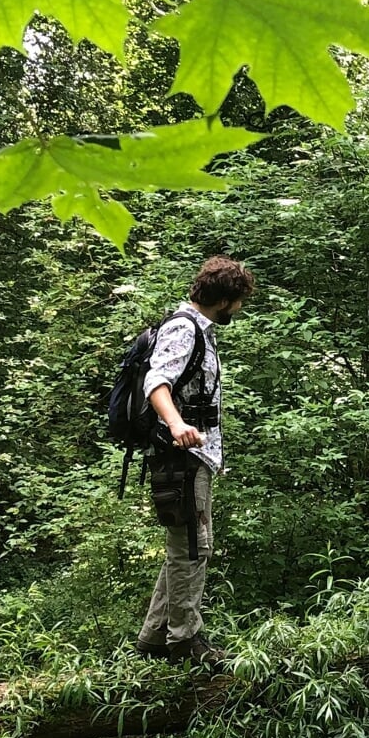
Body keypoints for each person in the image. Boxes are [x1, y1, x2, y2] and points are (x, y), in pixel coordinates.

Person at [135, 255, 255, 664]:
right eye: (238, 301)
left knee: (186, 544)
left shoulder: (197, 330)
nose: (238, 310)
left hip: (194, 457)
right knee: (192, 548)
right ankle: (185, 641)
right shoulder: (183, 330)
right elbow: (157, 380)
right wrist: (175, 424)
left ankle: (153, 638)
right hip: (181, 457)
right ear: (223, 298)